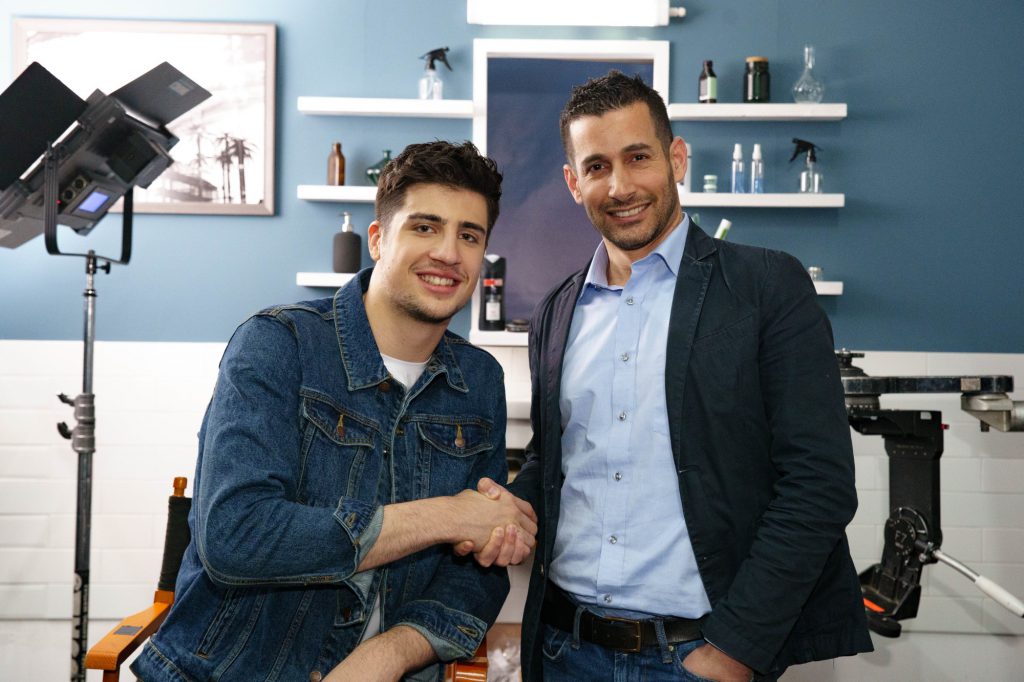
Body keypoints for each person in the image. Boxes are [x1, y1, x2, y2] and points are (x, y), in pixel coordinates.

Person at [479, 71, 873, 681]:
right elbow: (554, 457)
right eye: (597, 166)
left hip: (695, 656)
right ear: (573, 183)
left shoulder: (766, 287)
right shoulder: (558, 309)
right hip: (563, 649)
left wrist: (737, 649)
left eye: (638, 157)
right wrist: (511, 506)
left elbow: (819, 484)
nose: (620, 186)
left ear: (677, 158)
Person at [131, 140, 537, 682]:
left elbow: (476, 575)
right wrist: (449, 515)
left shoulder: (479, 379)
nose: (448, 252)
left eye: (469, 235)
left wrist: (386, 656)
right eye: (424, 227)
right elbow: (236, 535)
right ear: (378, 239)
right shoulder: (279, 344)